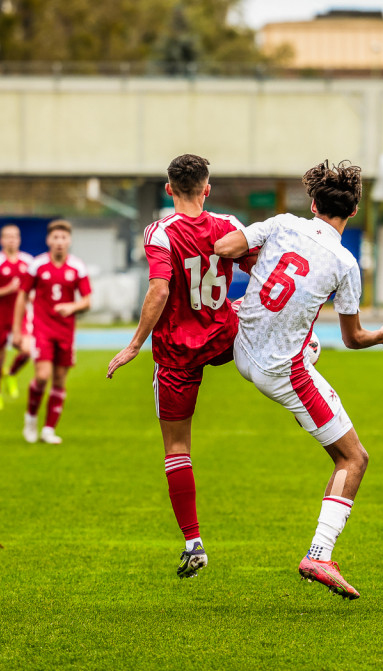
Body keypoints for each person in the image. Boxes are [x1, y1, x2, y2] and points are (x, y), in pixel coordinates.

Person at [214, 160, 383, 600]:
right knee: (354, 459)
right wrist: (382, 336)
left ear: (312, 203)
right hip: (282, 373)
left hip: (242, 348)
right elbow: (353, 339)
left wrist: (252, 254)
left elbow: (225, 247)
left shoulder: (281, 223)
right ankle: (319, 553)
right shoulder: (344, 262)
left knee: (308, 342)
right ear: (352, 213)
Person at [107, 154, 253, 580]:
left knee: (177, 448)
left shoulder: (160, 231)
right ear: (207, 189)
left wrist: (135, 344)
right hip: (225, 334)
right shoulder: (228, 225)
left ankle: (193, 543)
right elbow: (260, 264)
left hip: (177, 350)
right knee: (254, 312)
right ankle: (299, 347)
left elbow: (158, 289)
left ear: (168, 189)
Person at [14, 220, 92, 445]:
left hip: (66, 332)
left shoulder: (77, 266)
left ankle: (48, 429)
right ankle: (30, 418)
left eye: (63, 238)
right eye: (55, 238)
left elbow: (87, 301)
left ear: (69, 241)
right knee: (42, 376)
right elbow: (22, 296)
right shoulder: (37, 265)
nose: (59, 242)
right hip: (42, 329)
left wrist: (72, 307)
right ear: (48, 240)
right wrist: (18, 330)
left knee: (59, 380)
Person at [0, 224, 34, 410]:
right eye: (8, 236)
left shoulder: (29, 261)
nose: (12, 239)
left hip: (22, 316)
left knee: (27, 351)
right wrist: (8, 289)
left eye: (15, 236)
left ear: (19, 239)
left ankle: (11, 374)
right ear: (1, 240)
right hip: (0, 316)